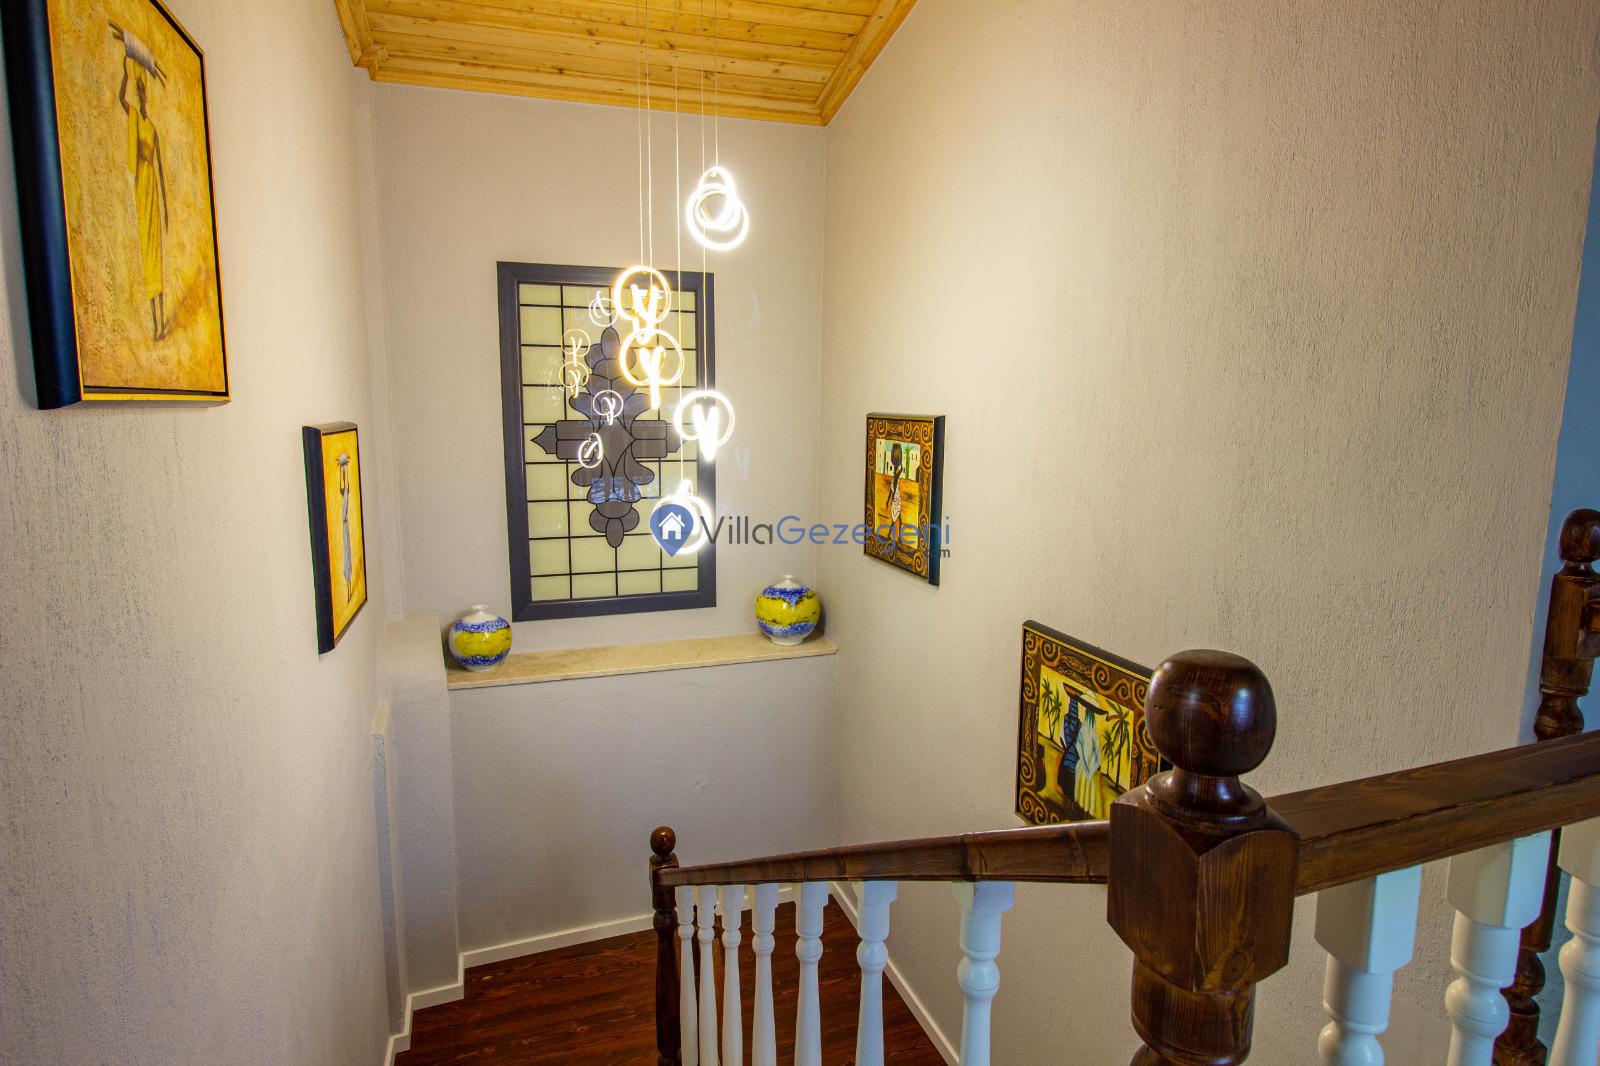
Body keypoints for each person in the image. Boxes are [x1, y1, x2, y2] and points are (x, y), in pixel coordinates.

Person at [119, 62, 168, 341]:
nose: (140, 94)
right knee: (147, 255)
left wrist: (167, 209)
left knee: (156, 255)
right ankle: (155, 324)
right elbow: (120, 99)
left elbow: (160, 169)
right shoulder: (135, 119)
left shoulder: (153, 129)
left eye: (141, 90)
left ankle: (160, 319)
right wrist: (125, 74)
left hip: (153, 193)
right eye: (137, 90)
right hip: (142, 191)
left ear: (146, 94)